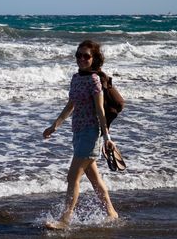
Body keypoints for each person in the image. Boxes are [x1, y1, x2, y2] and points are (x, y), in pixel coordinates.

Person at [43, 40, 119, 230]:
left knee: (72, 177)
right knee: (94, 179)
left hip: (91, 134)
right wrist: (55, 126)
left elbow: (100, 111)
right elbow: (71, 105)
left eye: (86, 56)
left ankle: (65, 219)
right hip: (77, 133)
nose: (81, 59)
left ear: (94, 59)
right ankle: (111, 212)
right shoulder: (76, 78)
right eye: (78, 55)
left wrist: (107, 138)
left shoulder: (94, 80)